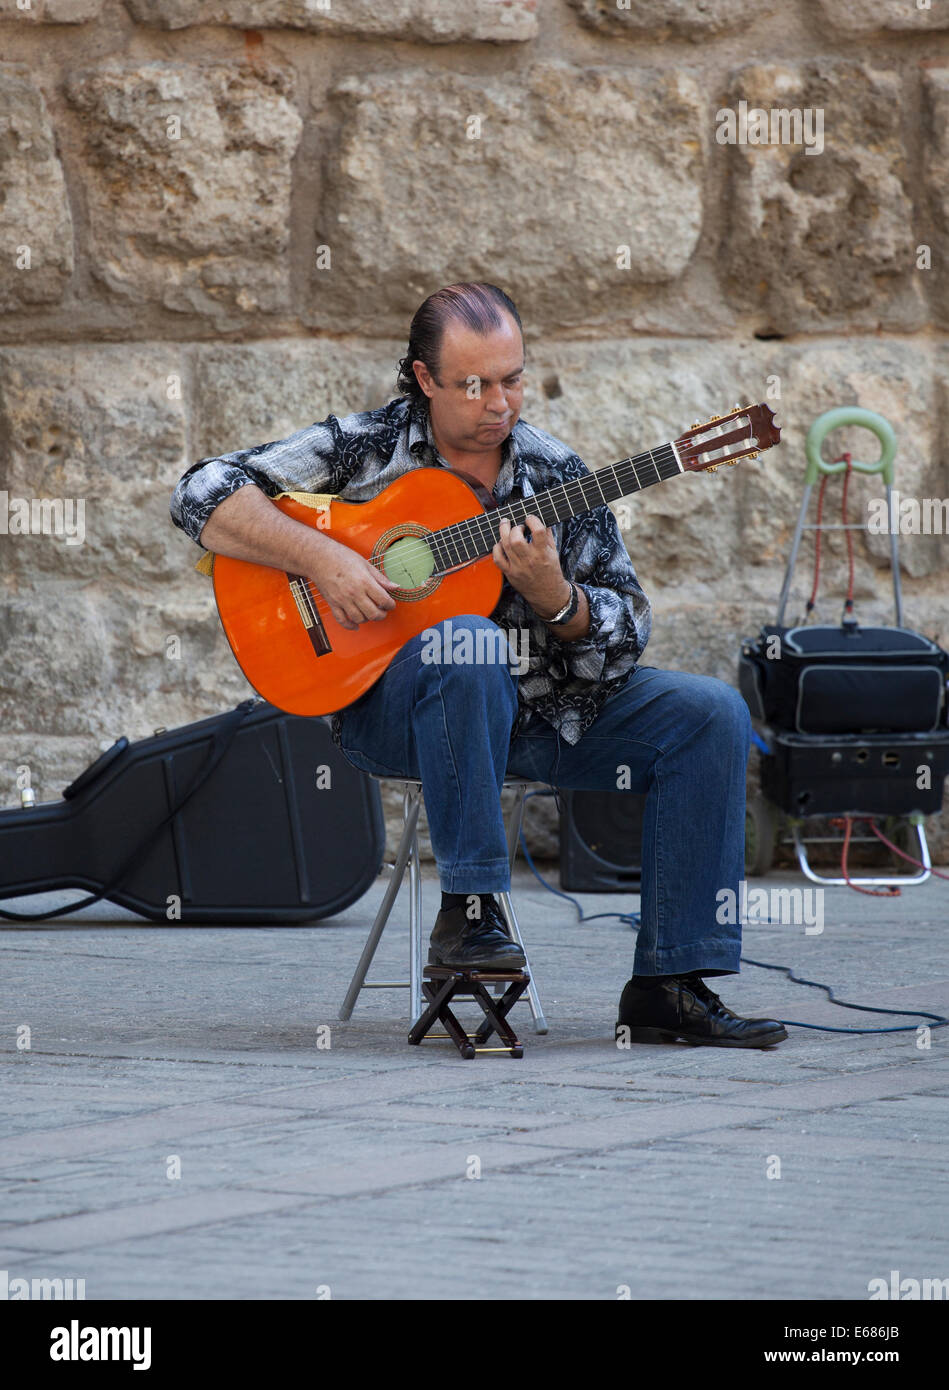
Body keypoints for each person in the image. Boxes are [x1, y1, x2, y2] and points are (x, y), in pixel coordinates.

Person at [170, 282, 787, 1049]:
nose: (499, 403)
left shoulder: (558, 475)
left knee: (710, 715)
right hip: (397, 713)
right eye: (473, 384)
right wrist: (325, 558)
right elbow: (199, 493)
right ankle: (470, 912)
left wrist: (557, 599)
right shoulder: (366, 447)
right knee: (466, 641)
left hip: (542, 715)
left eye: (512, 378)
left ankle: (670, 984)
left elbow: (625, 638)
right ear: (424, 380)